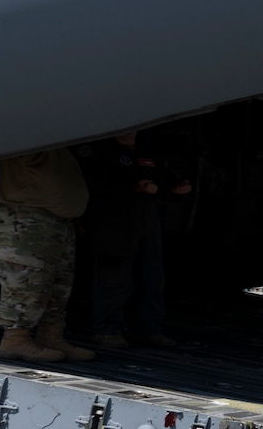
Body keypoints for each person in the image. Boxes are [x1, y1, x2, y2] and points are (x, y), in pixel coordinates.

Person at [79, 132, 189, 349]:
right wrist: (134, 189)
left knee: (151, 275)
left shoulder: (147, 149)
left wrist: (176, 190)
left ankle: (149, 329)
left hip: (146, 216)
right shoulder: (98, 150)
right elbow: (93, 184)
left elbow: (163, 180)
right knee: (114, 276)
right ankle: (108, 329)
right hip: (113, 219)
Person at [0, 149, 93, 363]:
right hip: (28, 217)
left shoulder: (64, 138)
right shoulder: (31, 130)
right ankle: (14, 339)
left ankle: (50, 335)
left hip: (57, 221)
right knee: (26, 282)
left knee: (58, 284)